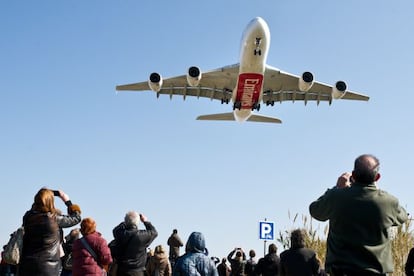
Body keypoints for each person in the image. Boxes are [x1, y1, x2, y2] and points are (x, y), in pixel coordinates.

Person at [309, 154, 409, 275]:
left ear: (354, 175)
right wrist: (377, 191)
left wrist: (337, 187)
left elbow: (315, 210)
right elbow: (403, 216)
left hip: (342, 272)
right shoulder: (388, 202)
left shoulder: (336, 197)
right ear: (377, 177)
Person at [18, 188, 82, 276]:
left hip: (27, 265)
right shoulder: (54, 219)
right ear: (50, 202)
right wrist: (66, 200)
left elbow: (34, 210)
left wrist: (42, 196)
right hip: (48, 268)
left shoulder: (28, 217)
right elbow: (76, 218)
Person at [113, 211, 158, 276]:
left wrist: (125, 222)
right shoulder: (142, 236)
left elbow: (115, 230)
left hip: (122, 271)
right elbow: (154, 232)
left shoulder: (120, 234)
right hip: (137, 272)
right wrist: (145, 221)